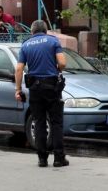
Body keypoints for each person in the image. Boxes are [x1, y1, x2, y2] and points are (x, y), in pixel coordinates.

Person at [14, 20, 68, 167]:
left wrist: (18, 90)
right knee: (56, 123)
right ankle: (58, 158)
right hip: (52, 87)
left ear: (32, 31)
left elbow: (19, 69)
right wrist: (56, 68)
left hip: (35, 88)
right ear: (45, 30)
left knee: (39, 123)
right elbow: (62, 63)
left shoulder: (25, 45)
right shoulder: (53, 41)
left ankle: (42, 159)